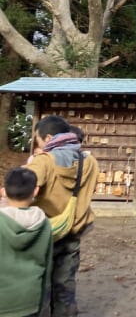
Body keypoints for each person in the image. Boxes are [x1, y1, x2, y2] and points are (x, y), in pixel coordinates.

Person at [26, 115, 99, 317]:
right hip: (73, 229)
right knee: (65, 285)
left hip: (45, 231)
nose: (37, 143)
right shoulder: (89, 161)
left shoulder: (43, 161)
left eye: (37, 139)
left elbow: (27, 190)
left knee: (41, 286)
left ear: (48, 138)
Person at [0, 167, 53, 317]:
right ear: (36, 191)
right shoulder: (44, 223)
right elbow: (48, 266)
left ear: (3, 191)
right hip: (30, 300)